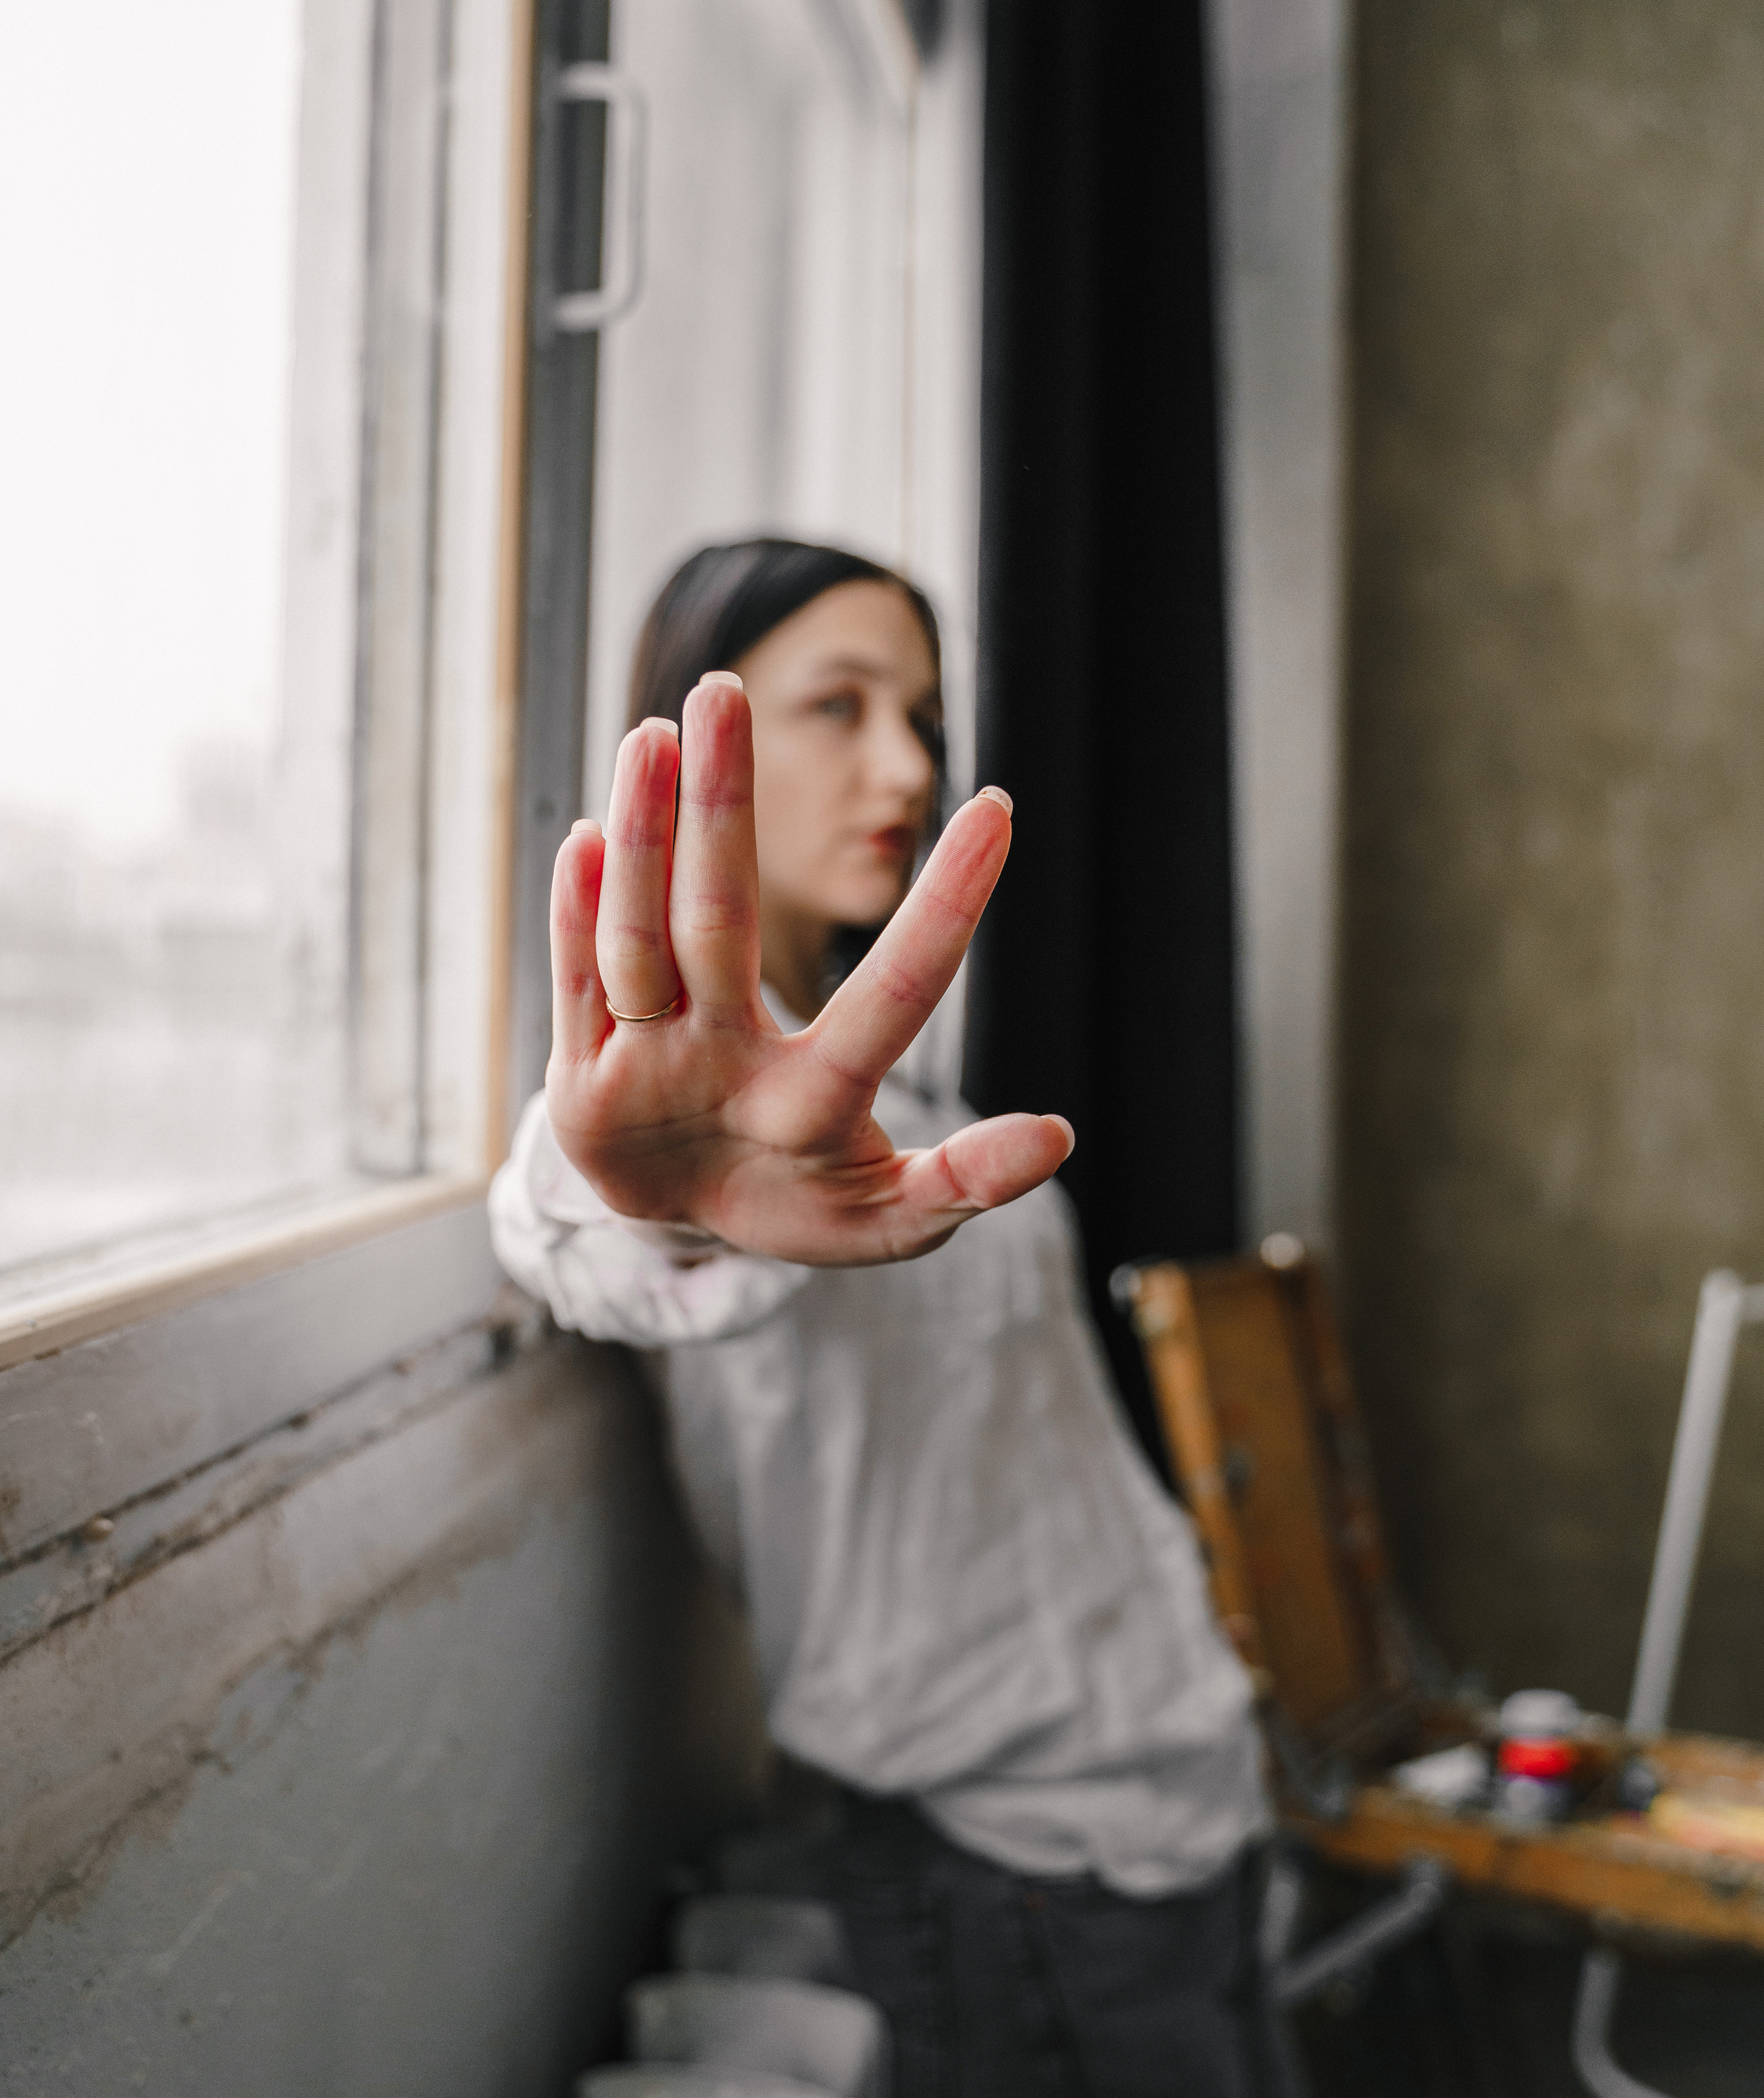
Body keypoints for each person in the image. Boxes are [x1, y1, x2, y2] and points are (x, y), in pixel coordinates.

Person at [489, 538, 1271, 2096]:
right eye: (835, 707)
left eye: (918, 710)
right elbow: (571, 1230)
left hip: (1176, 1799)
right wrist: (631, 1191)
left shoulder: (886, 1102)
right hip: (1019, 1861)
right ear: (700, 746)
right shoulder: (707, 1138)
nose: (905, 762)